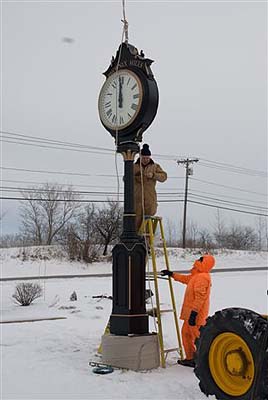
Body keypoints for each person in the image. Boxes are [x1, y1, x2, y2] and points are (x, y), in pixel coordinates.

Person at [161, 254, 215, 368]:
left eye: (201, 259)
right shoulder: (196, 275)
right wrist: (172, 274)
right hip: (190, 313)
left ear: (206, 263)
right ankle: (190, 358)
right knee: (186, 334)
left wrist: (194, 313)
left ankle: (205, 361)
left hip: (196, 315)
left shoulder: (203, 277)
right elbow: (185, 279)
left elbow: (200, 298)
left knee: (198, 337)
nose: (198, 259)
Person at [134, 143, 167, 233]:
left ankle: (147, 243)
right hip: (137, 200)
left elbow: (164, 176)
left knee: (148, 221)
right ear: (140, 157)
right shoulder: (134, 167)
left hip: (150, 199)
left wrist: (153, 175)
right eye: (144, 158)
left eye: (147, 158)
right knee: (136, 221)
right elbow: (126, 179)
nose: (145, 160)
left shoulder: (155, 166)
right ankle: (136, 241)